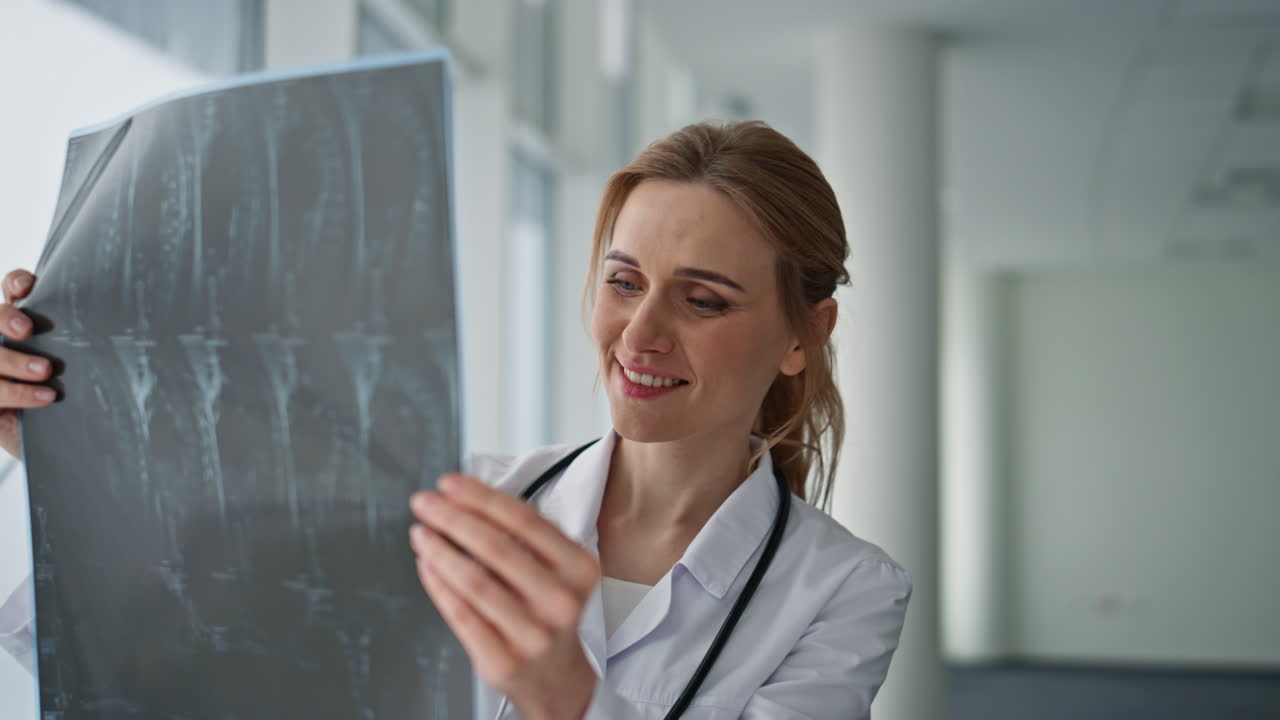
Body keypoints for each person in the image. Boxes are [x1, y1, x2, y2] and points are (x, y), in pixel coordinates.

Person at [0, 120, 910, 719]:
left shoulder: (845, 592)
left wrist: (565, 692)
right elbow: (197, 652)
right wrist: (64, 448)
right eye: (623, 282)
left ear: (804, 332)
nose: (640, 333)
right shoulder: (463, 494)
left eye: (703, 301)